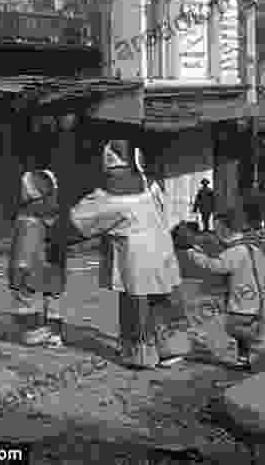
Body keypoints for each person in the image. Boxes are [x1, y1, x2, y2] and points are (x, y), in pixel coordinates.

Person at [69, 140, 189, 369]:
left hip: (134, 259)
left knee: (137, 306)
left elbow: (77, 222)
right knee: (164, 299)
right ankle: (172, 348)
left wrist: (55, 237)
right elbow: (171, 217)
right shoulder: (150, 184)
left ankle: (141, 356)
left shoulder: (106, 194)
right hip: (162, 251)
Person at [184, 207, 265, 370]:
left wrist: (194, 254)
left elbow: (215, 266)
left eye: (217, 230)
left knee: (236, 328)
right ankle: (247, 358)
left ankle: (251, 357)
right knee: (250, 332)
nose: (215, 234)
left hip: (243, 304)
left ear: (224, 230)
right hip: (261, 301)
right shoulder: (254, 249)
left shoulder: (234, 252)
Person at [7, 169, 67, 348]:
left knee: (25, 293)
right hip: (53, 263)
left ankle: (32, 330)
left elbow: (21, 246)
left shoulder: (26, 216)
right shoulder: (57, 214)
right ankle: (54, 333)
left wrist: (17, 269)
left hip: (30, 264)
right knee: (54, 295)